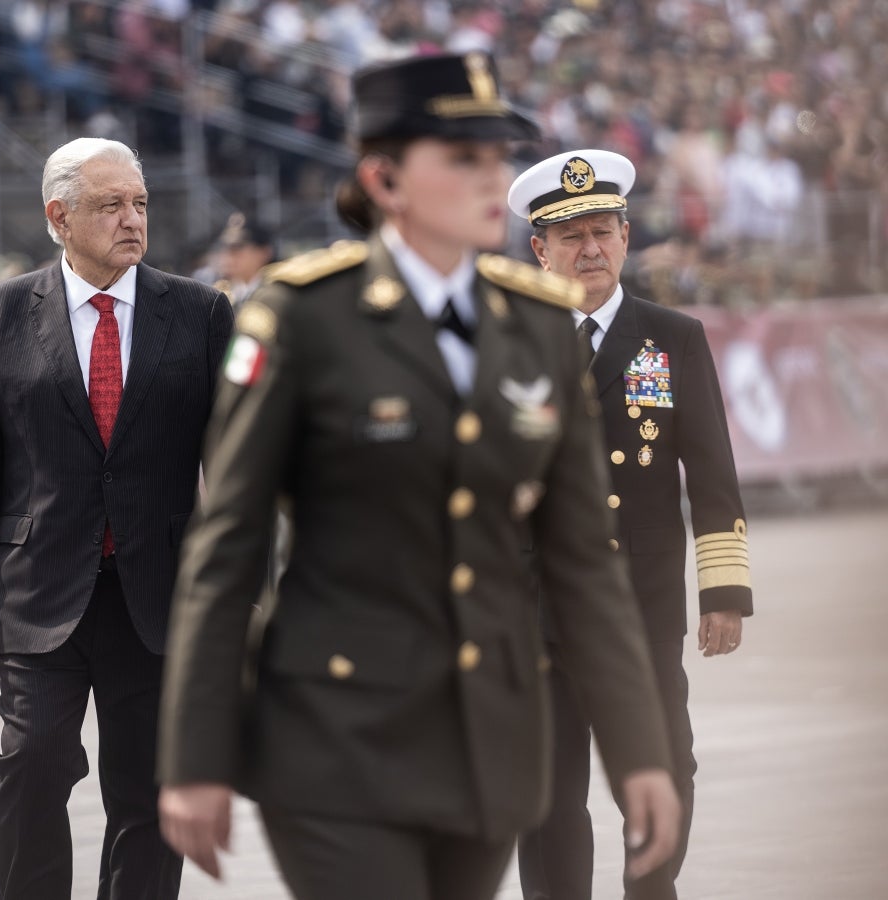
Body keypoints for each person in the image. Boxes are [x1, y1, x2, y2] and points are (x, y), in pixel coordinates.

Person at [156, 52, 681, 900]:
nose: (490, 179)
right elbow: (227, 551)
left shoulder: (538, 327)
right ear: (386, 179)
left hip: (486, 742)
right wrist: (192, 757)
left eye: (495, 156)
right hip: (335, 739)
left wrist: (639, 753)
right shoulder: (301, 319)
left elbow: (584, 561)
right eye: (461, 158)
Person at [0, 137, 234, 900]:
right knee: (32, 765)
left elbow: (238, 467)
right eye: (111, 206)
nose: (132, 220)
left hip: (160, 594)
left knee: (147, 790)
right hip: (37, 589)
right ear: (57, 217)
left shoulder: (199, 313)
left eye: (139, 204)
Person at [508, 149, 754, 900]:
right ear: (539, 249)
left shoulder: (671, 338)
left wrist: (723, 592)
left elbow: (711, 474)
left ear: (625, 237)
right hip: (535, 607)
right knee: (546, 793)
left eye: (605, 231)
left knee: (664, 771)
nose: (591, 250)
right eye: (572, 235)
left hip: (638, 607)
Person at [211, 212, 277, 308]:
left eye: (237, 249)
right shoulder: (225, 292)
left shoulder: (277, 291)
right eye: (227, 248)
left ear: (264, 252)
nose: (229, 256)